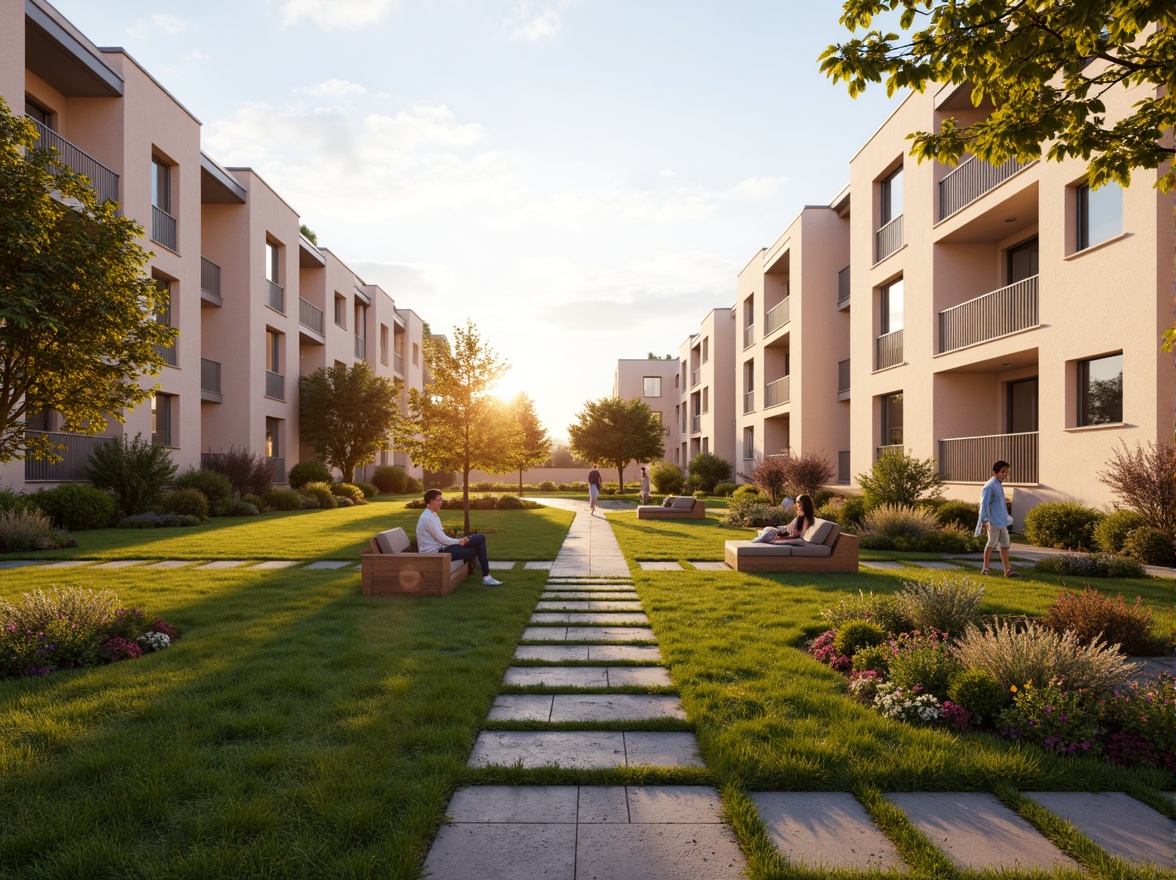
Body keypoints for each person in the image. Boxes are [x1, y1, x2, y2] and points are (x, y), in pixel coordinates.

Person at [415, 488, 503, 586]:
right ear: (431, 501)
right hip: (436, 554)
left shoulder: (432, 515)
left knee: (480, 538)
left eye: (441, 500)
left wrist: (459, 540)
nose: (441, 502)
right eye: (439, 500)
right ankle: (486, 576)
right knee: (478, 545)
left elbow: (442, 538)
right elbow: (443, 539)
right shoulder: (427, 518)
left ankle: (486, 576)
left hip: (443, 548)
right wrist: (459, 541)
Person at [975, 459, 1017, 577]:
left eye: (1006, 472)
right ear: (995, 472)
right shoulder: (989, 486)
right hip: (993, 521)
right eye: (1003, 472)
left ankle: (1007, 570)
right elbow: (984, 504)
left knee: (1005, 544)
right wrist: (985, 520)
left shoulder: (998, 485)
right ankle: (985, 569)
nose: (1005, 474)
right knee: (991, 543)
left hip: (1001, 521)